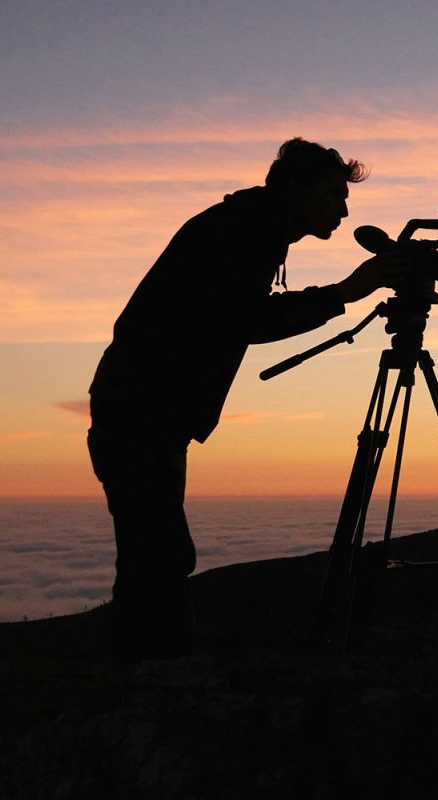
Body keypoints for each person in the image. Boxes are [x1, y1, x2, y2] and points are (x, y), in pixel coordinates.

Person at [86, 138, 406, 666]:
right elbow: (248, 319)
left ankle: (146, 682)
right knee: (158, 558)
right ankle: (151, 688)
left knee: (155, 556)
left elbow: (236, 316)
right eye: (332, 194)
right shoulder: (246, 231)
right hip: (140, 414)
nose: (345, 210)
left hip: (146, 413)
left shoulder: (252, 225)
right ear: (297, 190)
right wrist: (345, 293)